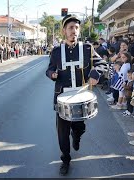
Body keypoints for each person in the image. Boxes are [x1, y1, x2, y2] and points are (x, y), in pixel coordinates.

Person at [45, 14, 107, 176]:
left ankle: (77, 136)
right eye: (71, 27)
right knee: (62, 132)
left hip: (81, 96)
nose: (74, 31)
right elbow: (49, 69)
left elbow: (102, 63)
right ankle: (65, 159)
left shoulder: (87, 48)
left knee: (79, 128)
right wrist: (52, 74)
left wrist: (96, 73)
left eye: (77, 28)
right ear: (64, 30)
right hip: (62, 97)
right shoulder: (57, 51)